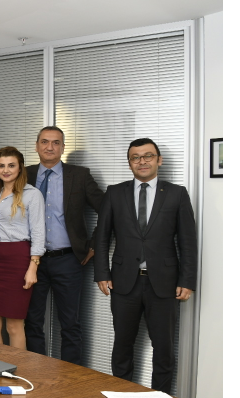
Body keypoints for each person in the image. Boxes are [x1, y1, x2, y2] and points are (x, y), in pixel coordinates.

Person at [94, 138, 197, 394]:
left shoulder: (176, 193)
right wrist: (101, 273)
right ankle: (122, 394)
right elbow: (102, 236)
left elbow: (188, 241)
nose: (142, 161)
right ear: (129, 163)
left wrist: (187, 280)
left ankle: (160, 396)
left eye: (148, 156)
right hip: (123, 282)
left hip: (164, 284)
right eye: (135, 157)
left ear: (159, 160)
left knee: (163, 350)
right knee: (122, 347)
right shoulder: (114, 193)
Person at [24, 126, 105, 364]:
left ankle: (71, 378)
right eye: (45, 142)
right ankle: (36, 375)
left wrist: (93, 245)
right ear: (36, 146)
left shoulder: (79, 175)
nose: (50, 147)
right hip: (31, 262)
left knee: (70, 324)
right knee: (32, 321)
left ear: (63, 147)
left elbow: (107, 211)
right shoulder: (23, 174)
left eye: (56, 142)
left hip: (68, 261)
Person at [0, 147, 44, 349]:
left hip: (18, 260)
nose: (6, 170)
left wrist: (33, 267)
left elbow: (39, 232)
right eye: (1, 166)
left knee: (14, 326)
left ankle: (18, 368)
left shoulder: (32, 194)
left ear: (20, 167)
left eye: (11, 165)